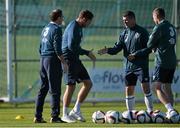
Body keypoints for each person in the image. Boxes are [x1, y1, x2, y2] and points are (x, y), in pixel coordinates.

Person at [98, 11, 153, 114]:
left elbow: (149, 49)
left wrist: (136, 54)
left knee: (146, 88)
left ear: (133, 19)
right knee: (128, 90)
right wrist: (108, 50)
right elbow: (117, 48)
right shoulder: (124, 33)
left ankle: (150, 112)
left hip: (141, 66)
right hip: (128, 66)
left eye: (126, 20)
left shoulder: (142, 32)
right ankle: (130, 113)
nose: (125, 22)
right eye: (123, 20)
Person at [128, 7, 178, 118]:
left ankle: (170, 110)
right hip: (172, 60)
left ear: (156, 16)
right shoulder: (172, 27)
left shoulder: (159, 27)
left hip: (162, 61)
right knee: (167, 87)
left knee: (156, 87)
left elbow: (149, 44)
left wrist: (151, 46)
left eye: (153, 17)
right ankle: (171, 114)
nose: (153, 19)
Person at [61, 10, 96, 123]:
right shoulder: (73, 27)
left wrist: (84, 52)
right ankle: (64, 114)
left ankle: (76, 110)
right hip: (69, 59)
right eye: (88, 22)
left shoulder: (79, 27)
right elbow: (71, 46)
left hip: (75, 59)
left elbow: (75, 46)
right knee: (71, 86)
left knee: (88, 83)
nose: (88, 25)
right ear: (84, 19)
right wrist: (87, 52)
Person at [34, 9, 67, 123]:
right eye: (62, 17)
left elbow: (40, 46)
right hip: (52, 60)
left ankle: (37, 116)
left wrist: (44, 56)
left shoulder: (45, 28)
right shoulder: (57, 29)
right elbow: (57, 48)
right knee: (55, 89)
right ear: (58, 17)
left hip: (43, 59)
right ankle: (55, 116)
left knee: (43, 88)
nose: (63, 19)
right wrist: (64, 62)